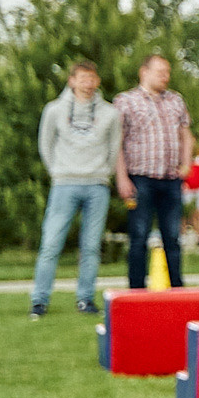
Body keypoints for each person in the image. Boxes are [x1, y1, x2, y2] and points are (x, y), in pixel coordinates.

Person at [30, 59, 122, 319]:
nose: (87, 83)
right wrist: (58, 171)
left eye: (92, 78)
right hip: (64, 184)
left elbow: (114, 148)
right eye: (82, 78)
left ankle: (85, 299)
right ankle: (39, 299)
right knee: (51, 243)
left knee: (91, 246)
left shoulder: (109, 113)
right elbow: (45, 145)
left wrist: (104, 172)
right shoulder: (54, 110)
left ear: (97, 81)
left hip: (97, 185)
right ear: (72, 80)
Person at [113, 53, 194, 289]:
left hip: (170, 179)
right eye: (160, 72)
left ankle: (177, 288)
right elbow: (116, 142)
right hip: (140, 179)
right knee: (138, 237)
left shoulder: (176, 100)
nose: (165, 77)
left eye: (167, 73)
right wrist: (122, 177)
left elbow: (186, 134)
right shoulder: (125, 101)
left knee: (173, 237)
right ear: (144, 72)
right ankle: (136, 289)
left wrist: (186, 163)